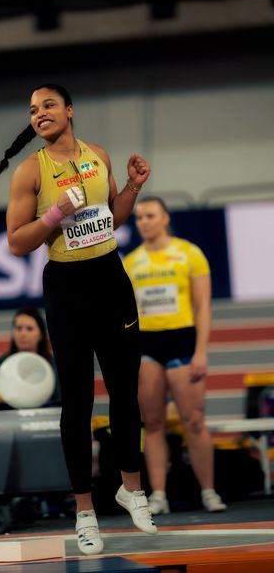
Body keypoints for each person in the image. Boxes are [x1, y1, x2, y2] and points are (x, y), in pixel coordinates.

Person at [0, 83, 157, 555]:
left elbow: (114, 217)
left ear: (69, 110)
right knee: (80, 403)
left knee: (125, 392)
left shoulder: (98, 155)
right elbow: (16, 241)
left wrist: (131, 187)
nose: (39, 113)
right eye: (32, 109)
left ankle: (132, 489)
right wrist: (54, 216)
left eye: (48, 105)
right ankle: (84, 512)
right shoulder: (30, 171)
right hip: (67, 289)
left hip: (111, 279)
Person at [123, 196, 227, 515]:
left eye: (150, 215)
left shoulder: (189, 254)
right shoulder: (131, 262)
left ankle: (208, 491)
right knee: (152, 422)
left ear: (165, 218)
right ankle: (158, 495)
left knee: (193, 420)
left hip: (183, 341)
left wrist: (201, 352)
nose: (143, 222)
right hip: (147, 345)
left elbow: (204, 306)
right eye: (139, 217)